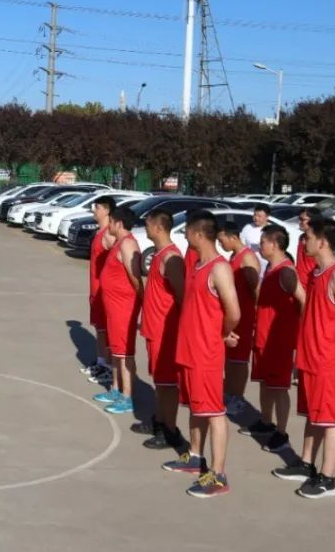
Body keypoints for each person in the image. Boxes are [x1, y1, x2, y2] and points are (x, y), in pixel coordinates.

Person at [273, 216, 335, 499]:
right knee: (313, 415)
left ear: (322, 242)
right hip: (310, 356)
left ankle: (328, 478)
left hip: (326, 358)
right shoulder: (316, 273)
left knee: (330, 420)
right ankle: (306, 464)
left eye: (307, 237)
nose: (303, 241)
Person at [162, 211, 240, 499]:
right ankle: (195, 457)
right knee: (197, 408)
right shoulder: (197, 265)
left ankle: (218, 475)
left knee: (214, 412)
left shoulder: (219, 268)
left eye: (187, 231)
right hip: (189, 351)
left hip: (206, 354)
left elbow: (234, 311)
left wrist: (222, 332)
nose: (184, 235)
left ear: (197, 234)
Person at [242, 225, 304, 454]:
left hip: (278, 341)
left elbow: (304, 301)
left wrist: (296, 332)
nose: (260, 246)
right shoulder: (271, 268)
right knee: (265, 383)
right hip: (263, 338)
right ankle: (266, 422)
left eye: (263, 242)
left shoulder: (286, 272)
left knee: (279, 388)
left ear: (275, 244)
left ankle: (281, 432)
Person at [135, 209, 186, 450]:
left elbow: (183, 297)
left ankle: (170, 431)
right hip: (154, 329)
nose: (145, 229)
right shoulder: (158, 255)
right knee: (160, 380)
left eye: (147, 225)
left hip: (166, 332)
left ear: (158, 228)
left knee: (167, 383)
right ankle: (159, 419)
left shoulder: (171, 258)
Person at [100, 207, 143, 415]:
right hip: (114, 307)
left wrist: (142, 301)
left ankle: (127, 397)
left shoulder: (128, 244)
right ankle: (116, 389)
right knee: (117, 351)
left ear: (118, 223)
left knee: (125, 353)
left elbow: (135, 277)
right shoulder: (118, 242)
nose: (108, 225)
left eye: (110, 222)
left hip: (123, 307)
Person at [217, 221, 259, 416]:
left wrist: (256, 314)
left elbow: (255, 289)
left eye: (222, 240)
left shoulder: (247, 258)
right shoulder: (234, 256)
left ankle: (238, 397)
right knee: (230, 358)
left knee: (240, 360)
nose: (221, 244)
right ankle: (230, 393)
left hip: (244, 315)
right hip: (234, 314)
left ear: (233, 237)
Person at [82, 196, 115, 386]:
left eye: (98, 207)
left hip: (104, 291)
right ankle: (101, 363)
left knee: (106, 329)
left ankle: (109, 367)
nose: (94, 210)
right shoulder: (99, 232)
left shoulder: (109, 235)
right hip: (95, 289)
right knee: (99, 328)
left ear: (106, 210)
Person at [240, 203, 272, 274]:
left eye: (259, 216)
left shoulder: (272, 230)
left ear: (267, 217)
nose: (256, 218)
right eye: (255, 215)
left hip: (266, 267)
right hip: (250, 266)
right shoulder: (247, 228)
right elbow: (241, 246)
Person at [295, 208, 320, 288]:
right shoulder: (301, 237)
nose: (300, 222)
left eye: (303, 220)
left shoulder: (319, 240)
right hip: (299, 284)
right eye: (299, 219)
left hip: (311, 285)